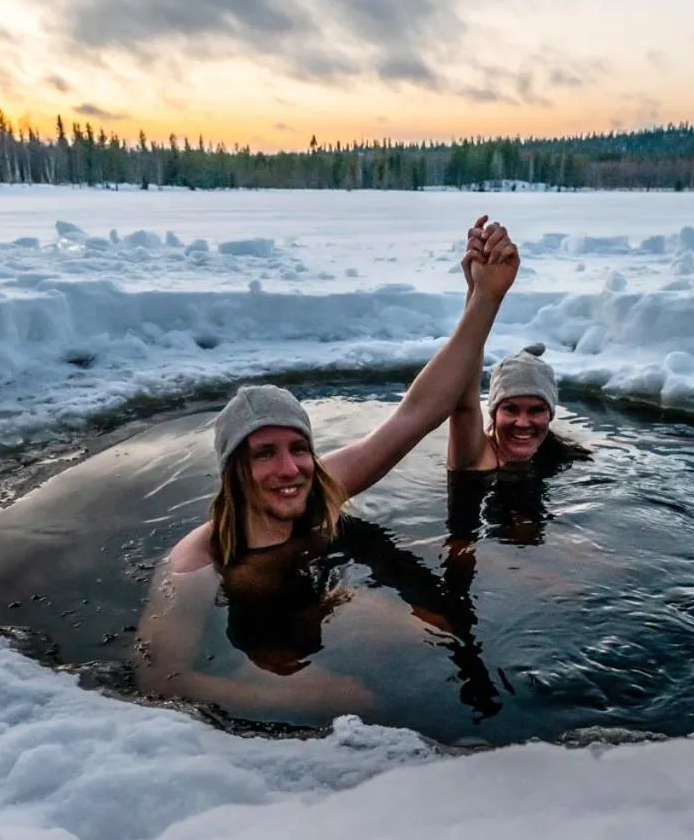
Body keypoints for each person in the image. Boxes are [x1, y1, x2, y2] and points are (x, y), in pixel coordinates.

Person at [135, 220, 521, 722]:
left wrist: (484, 298)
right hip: (265, 662)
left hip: (329, 620)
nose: (290, 468)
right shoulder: (194, 564)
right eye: (264, 453)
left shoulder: (318, 488)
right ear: (234, 471)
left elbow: (418, 413)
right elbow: (159, 679)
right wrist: (303, 697)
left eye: (299, 448)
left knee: (436, 626)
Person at [447, 216, 589, 472]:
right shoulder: (477, 458)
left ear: (551, 414)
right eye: (511, 409)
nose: (523, 423)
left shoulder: (560, 458)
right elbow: (462, 397)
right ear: (493, 413)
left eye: (536, 410)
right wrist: (479, 292)